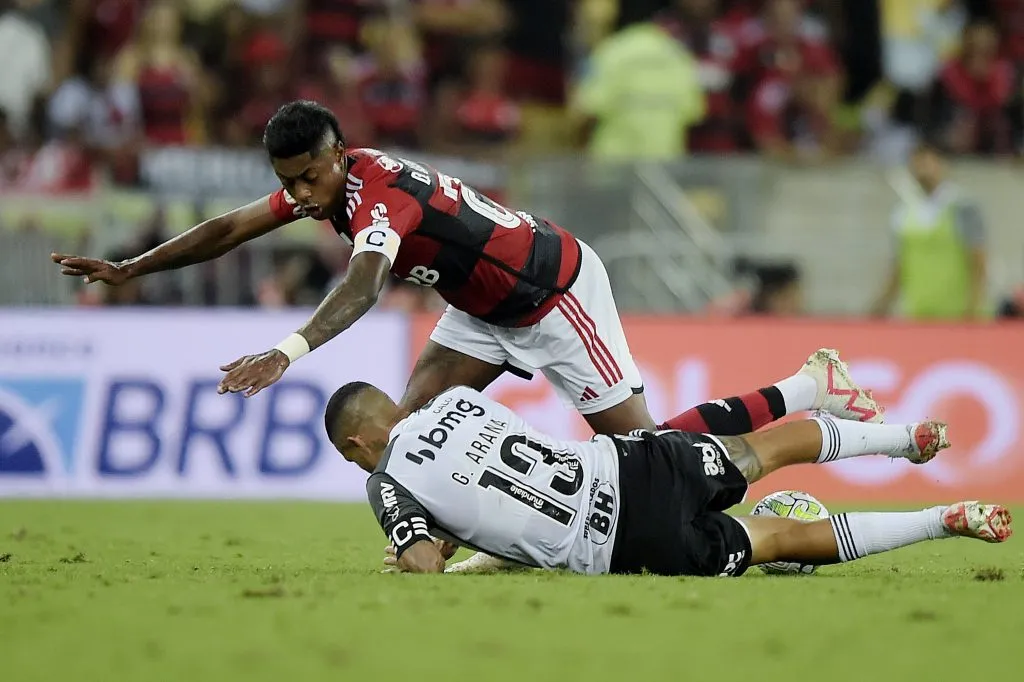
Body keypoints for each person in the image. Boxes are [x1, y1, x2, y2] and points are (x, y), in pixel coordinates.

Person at [49, 100, 881, 440]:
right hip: (479, 310)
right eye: (288, 182)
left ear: (339, 155)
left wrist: (291, 350)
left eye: (309, 176)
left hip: (552, 294)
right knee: (412, 435)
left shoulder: (379, 197)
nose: (299, 194)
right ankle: (452, 544)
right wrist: (131, 268)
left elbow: (368, 286)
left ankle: (807, 388)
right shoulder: (322, 191)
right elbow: (229, 227)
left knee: (651, 456)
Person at [323, 381, 1010, 576]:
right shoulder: (457, 401)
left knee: (775, 539)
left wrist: (418, 548)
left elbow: (419, 561)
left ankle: (941, 520)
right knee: (759, 451)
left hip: (620, 546)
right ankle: (902, 439)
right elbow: (488, 468)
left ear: (360, 443)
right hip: (634, 464)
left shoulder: (386, 484)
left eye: (354, 456)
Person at [872, 140, 987, 320]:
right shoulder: (903, 212)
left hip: (957, 313)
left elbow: (978, 260)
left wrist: (973, 305)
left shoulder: (963, 207)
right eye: (916, 163)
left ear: (942, 164)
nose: (921, 169)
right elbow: (899, 265)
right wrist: (882, 304)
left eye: (926, 161)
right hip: (919, 313)